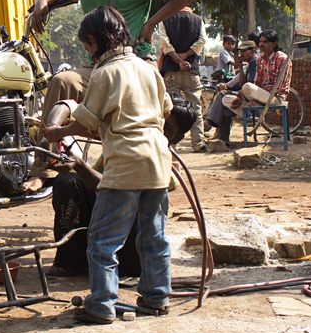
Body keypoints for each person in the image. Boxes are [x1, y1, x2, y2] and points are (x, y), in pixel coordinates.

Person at [44, 6, 174, 324]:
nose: (88, 53)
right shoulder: (147, 69)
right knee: (154, 236)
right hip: (157, 162)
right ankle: (157, 298)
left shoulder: (104, 73)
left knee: (102, 240)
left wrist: (57, 131)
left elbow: (85, 121)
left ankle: (101, 304)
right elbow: (166, 108)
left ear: (93, 40)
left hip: (125, 166)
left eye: (87, 46)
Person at [30, 0, 198, 143]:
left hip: (137, 63)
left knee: (152, 115)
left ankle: (159, 164)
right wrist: (44, 0)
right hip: (97, 67)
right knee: (61, 81)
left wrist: (151, 24)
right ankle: (44, 167)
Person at [21, 93, 195, 278]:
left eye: (165, 128)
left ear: (176, 138)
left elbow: (116, 192)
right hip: (105, 219)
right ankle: (72, 261)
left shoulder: (161, 159)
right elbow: (68, 107)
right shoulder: (123, 130)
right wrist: (53, 130)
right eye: (155, 121)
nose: (156, 131)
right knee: (68, 181)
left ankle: (113, 271)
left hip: (128, 246)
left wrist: (80, 166)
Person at [157, 8, 207, 152]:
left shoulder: (165, 19)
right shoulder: (198, 20)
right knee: (196, 106)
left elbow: (165, 44)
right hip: (191, 71)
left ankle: (171, 144)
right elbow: (201, 41)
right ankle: (198, 143)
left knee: (170, 108)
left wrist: (177, 59)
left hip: (171, 71)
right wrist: (185, 56)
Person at [225, 29, 291, 117]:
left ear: (274, 44)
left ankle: (255, 109)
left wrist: (257, 98)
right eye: (260, 41)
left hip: (276, 98)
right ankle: (252, 113)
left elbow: (279, 88)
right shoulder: (260, 59)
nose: (261, 44)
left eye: (265, 42)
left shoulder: (282, 58)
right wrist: (249, 97)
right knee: (225, 99)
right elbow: (258, 83)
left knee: (247, 87)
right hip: (261, 96)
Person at [205, 40, 259, 146]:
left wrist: (240, 95)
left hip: (253, 101)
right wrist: (240, 66)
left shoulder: (255, 63)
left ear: (253, 51)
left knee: (222, 97)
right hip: (247, 96)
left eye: (244, 51)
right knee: (224, 103)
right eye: (240, 52)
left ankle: (211, 124)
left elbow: (250, 86)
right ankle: (222, 138)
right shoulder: (248, 65)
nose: (241, 54)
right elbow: (243, 83)